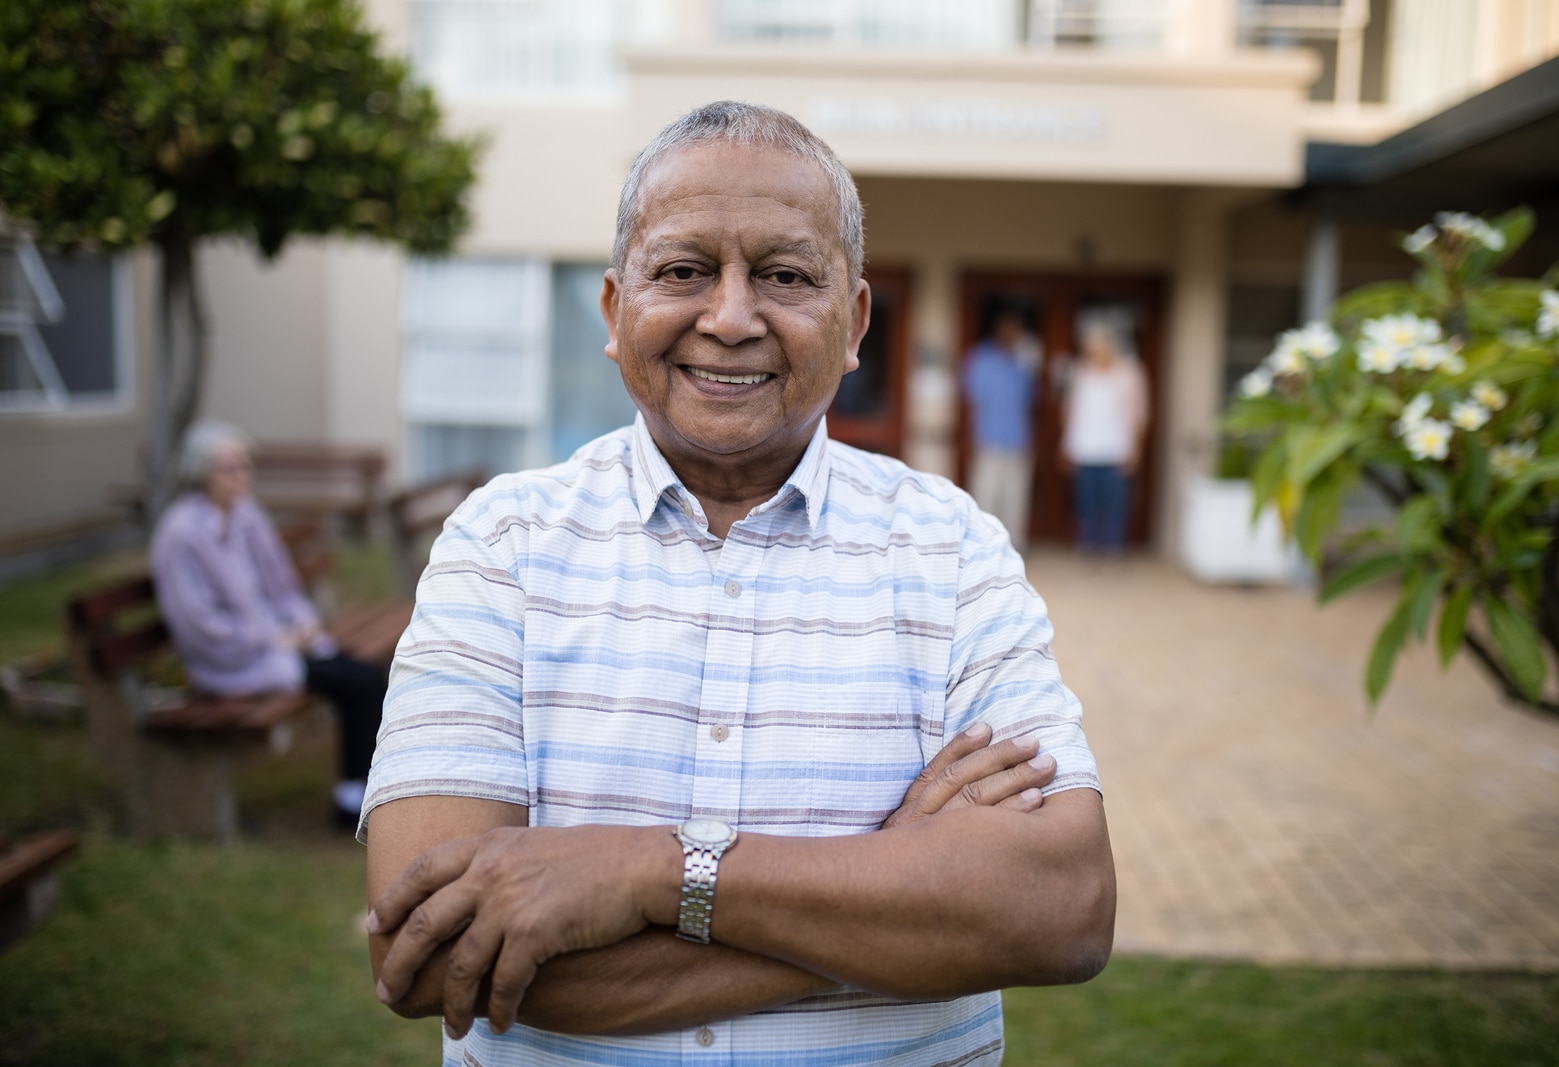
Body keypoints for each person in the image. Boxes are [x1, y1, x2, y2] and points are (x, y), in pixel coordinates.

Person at [362, 101, 1114, 1066]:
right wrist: (896, 896)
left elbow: (1064, 908)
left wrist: (652, 873)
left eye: (785, 275)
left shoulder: (952, 550)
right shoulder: (501, 545)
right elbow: (427, 952)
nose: (728, 317)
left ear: (854, 320)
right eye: (682, 271)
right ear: (612, 310)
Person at [149, 420, 386, 823]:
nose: (242, 475)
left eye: (245, 465)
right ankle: (351, 804)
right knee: (361, 683)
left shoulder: (245, 515)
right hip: (232, 660)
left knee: (366, 675)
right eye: (229, 467)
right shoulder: (181, 533)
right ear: (200, 472)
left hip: (280, 642)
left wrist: (303, 624)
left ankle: (359, 791)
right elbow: (199, 625)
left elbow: (282, 586)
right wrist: (274, 639)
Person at [1059, 319, 1149, 554]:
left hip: (1116, 450)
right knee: (1087, 502)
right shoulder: (1080, 373)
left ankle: (1112, 549)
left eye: (1099, 347)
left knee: (1114, 504)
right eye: (1091, 348)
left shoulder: (1129, 373)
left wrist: (1135, 448)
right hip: (1085, 449)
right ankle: (1088, 547)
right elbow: (1071, 412)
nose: (1094, 352)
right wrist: (1066, 446)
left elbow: (1139, 414)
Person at [961, 309, 1039, 550]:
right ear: (999, 330)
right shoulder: (981, 358)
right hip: (988, 440)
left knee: (1015, 501)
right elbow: (970, 395)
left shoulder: (1025, 361)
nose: (1012, 334)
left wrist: (1028, 362)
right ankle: (983, 548)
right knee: (986, 497)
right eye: (1009, 329)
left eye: (1017, 331)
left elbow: (1033, 398)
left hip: (1018, 442)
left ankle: (1013, 550)